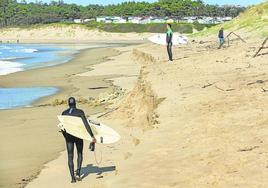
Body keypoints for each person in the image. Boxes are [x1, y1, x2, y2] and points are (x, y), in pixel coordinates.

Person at [61, 97, 96, 183]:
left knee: (70, 156)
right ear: (75, 103)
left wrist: (66, 136)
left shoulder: (64, 113)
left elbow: (62, 128)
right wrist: (92, 136)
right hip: (78, 135)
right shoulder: (80, 112)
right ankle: (78, 173)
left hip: (69, 137)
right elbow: (86, 125)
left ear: (68, 104)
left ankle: (73, 178)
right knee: (79, 153)